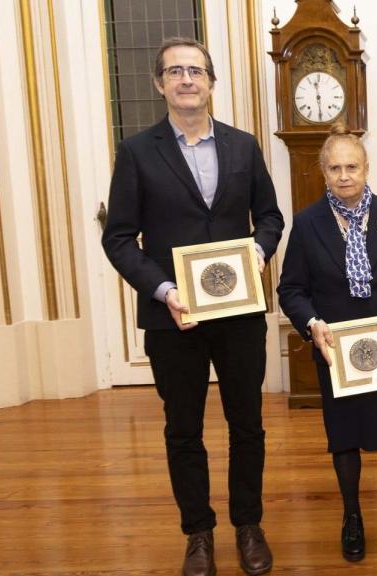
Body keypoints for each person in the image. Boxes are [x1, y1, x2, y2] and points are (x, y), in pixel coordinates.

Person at [101, 37, 282, 576]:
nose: (186, 79)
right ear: (160, 83)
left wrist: (255, 251)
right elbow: (119, 239)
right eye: (175, 71)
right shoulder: (137, 152)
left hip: (239, 315)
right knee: (183, 430)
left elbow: (270, 218)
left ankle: (248, 525)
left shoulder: (243, 146)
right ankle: (198, 533)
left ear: (211, 83)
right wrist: (164, 290)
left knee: (247, 424)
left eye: (196, 71)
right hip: (172, 317)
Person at [277, 126, 377, 562]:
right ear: (323, 172)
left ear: (366, 168)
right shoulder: (307, 224)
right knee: (344, 436)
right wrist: (311, 323)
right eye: (335, 168)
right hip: (335, 349)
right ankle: (352, 517)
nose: (344, 175)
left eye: (352, 166)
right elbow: (291, 289)